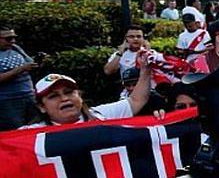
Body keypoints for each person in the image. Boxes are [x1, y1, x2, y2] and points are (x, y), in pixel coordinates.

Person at [22, 51, 155, 128]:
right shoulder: (29, 135)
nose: (64, 98)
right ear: (41, 107)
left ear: (79, 96)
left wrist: (145, 70)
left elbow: (137, 100)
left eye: (69, 92)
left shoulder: (102, 115)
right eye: (53, 96)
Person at [0, 27, 38, 130]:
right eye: (8, 39)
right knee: (16, 130)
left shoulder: (15, 48)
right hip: (8, 101)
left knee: (36, 126)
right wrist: (20, 69)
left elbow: (29, 62)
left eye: (14, 38)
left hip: (29, 95)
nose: (13, 41)